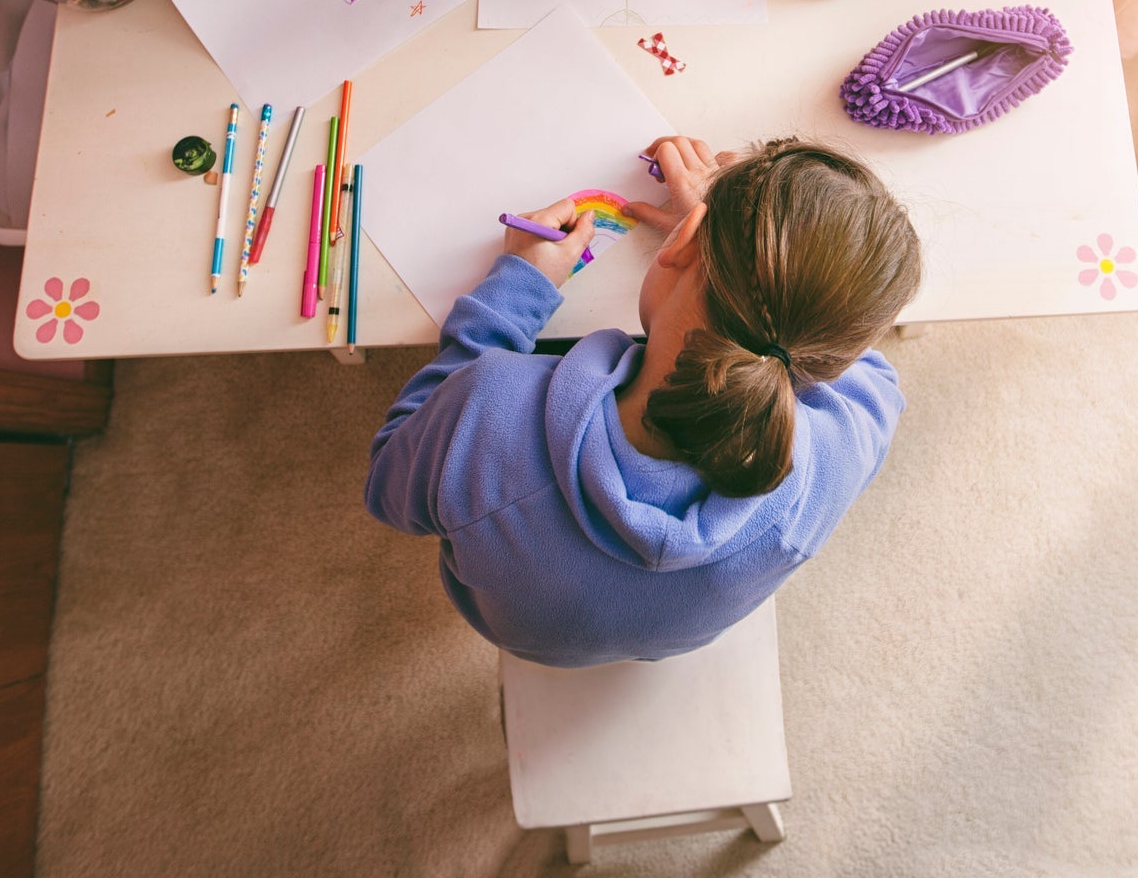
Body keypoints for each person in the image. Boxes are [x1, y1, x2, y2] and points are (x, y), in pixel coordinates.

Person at [364, 136, 922, 668]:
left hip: (515, 630)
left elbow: (390, 480)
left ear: (680, 241)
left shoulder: (488, 414)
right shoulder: (836, 457)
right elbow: (867, 369)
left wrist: (513, 294)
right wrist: (742, 258)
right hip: (674, 639)